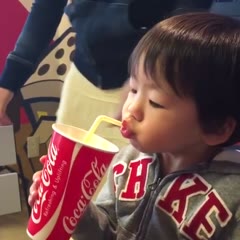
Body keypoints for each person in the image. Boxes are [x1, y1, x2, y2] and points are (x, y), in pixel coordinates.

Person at [29, 12, 240, 239]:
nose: (132, 109)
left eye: (155, 102)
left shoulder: (231, 196)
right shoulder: (127, 161)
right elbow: (106, 230)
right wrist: (78, 212)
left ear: (216, 128)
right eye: (133, 90)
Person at [0, 0, 213, 147]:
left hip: (147, 93)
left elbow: (186, 19)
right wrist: (7, 83)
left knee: (128, 201)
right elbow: (46, 9)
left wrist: (144, 81)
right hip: (83, 83)